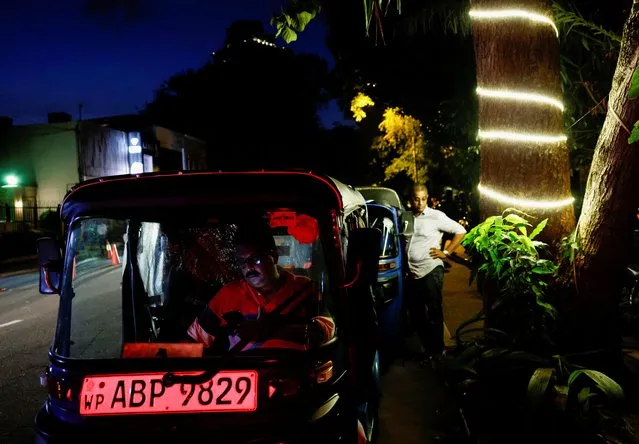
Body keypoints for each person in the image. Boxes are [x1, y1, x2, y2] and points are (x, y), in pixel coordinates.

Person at [187, 220, 335, 352]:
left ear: (274, 256)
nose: (249, 268)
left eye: (255, 259)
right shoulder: (227, 295)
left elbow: (326, 331)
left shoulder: (304, 289)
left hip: (293, 375)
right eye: (242, 262)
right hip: (243, 379)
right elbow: (194, 341)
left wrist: (270, 331)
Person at [404, 184, 467, 366]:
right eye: (417, 199)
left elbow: (460, 231)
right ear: (411, 200)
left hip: (431, 269)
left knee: (433, 313)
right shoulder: (406, 217)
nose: (420, 202)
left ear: (428, 198)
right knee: (417, 315)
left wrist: (446, 253)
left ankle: (438, 351)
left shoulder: (436, 216)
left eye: (424, 198)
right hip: (413, 273)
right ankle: (427, 350)